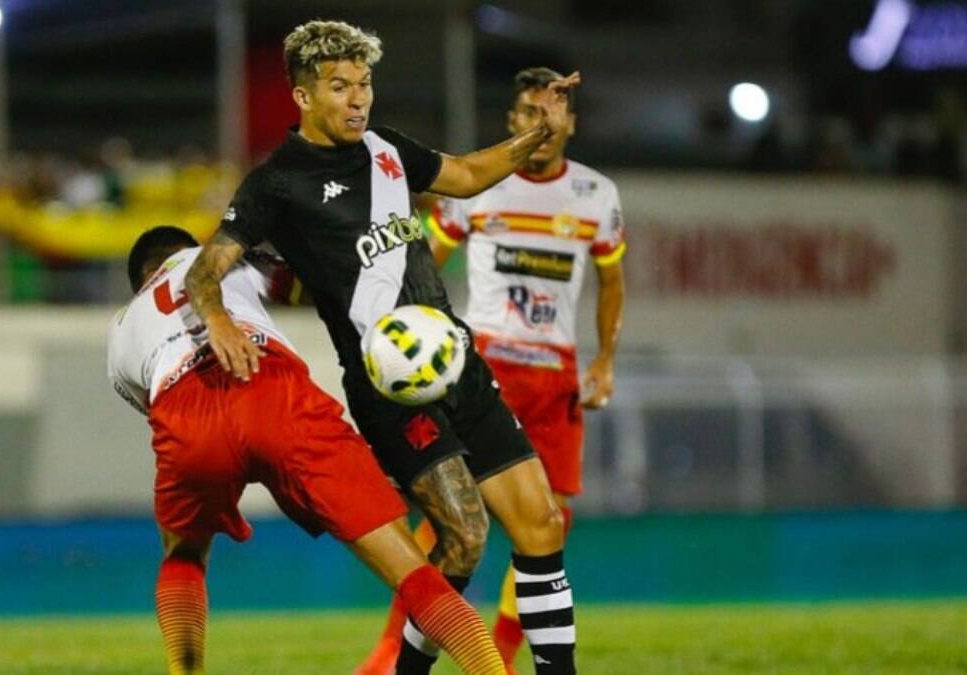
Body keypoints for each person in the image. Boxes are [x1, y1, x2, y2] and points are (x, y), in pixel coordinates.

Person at [185, 20, 580, 675]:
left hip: (456, 359)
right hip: (389, 386)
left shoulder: (386, 149)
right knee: (465, 536)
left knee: (540, 522)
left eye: (364, 84)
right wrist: (218, 319)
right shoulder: (277, 183)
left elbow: (466, 173)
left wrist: (537, 134)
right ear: (304, 97)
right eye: (340, 87)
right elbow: (207, 269)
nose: (357, 98)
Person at [108, 226, 508, 675]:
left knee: (183, 556)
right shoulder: (225, 260)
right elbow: (311, 286)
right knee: (411, 572)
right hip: (270, 386)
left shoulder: (121, 327)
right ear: (193, 252)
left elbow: (155, 410)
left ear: (139, 281)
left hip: (185, 407)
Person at [366, 66, 628, 673]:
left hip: (554, 372)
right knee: (448, 514)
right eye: (528, 113)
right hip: (482, 368)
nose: (541, 121)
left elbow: (612, 282)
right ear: (511, 124)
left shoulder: (596, 194)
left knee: (547, 521)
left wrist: (606, 360)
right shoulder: (478, 186)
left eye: (551, 112)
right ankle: (389, 652)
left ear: (570, 123)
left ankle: (504, 655)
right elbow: (423, 258)